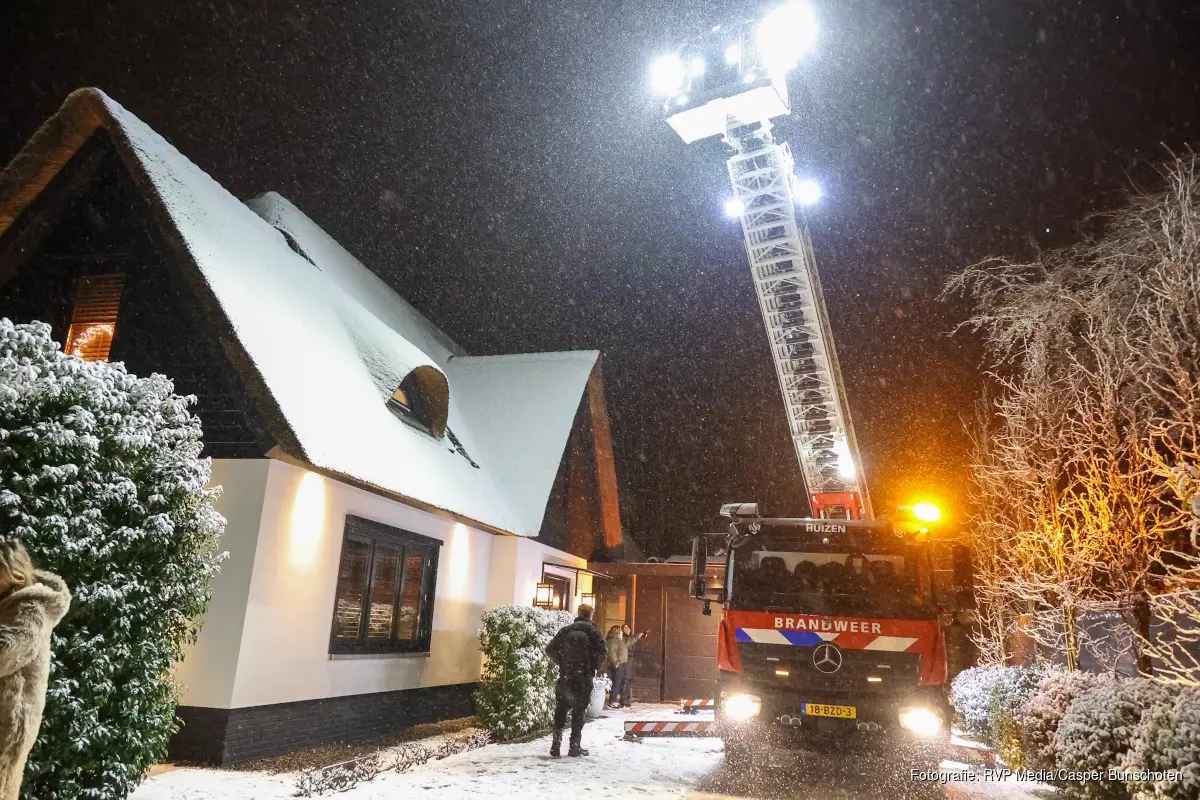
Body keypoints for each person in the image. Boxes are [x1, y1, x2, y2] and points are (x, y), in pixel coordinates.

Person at [0, 540, 70, 800]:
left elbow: (5, 653)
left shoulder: (31, 609)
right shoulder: (7, 602)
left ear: (12, 573)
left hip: (8, 720)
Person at [545, 603, 606, 758]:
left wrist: (562, 662)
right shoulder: (594, 632)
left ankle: (556, 745)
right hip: (584, 676)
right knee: (579, 711)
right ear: (590, 615)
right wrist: (592, 665)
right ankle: (574, 746)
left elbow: (550, 648)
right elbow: (603, 652)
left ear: (578, 613)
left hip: (566, 675)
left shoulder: (566, 630)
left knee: (561, 710)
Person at [619, 624, 648, 708]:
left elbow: (635, 642)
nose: (628, 628)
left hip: (632, 661)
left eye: (628, 627)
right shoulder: (623, 638)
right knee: (625, 680)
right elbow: (629, 641)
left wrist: (642, 636)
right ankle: (623, 700)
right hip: (626, 660)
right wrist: (637, 636)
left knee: (629, 681)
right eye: (625, 627)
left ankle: (627, 699)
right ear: (622, 629)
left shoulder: (630, 637)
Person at [605, 626, 628, 709]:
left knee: (617, 683)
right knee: (616, 683)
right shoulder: (613, 641)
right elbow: (612, 653)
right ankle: (613, 701)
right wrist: (616, 663)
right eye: (620, 631)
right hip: (618, 665)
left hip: (620, 664)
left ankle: (613, 700)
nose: (621, 632)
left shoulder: (616, 640)